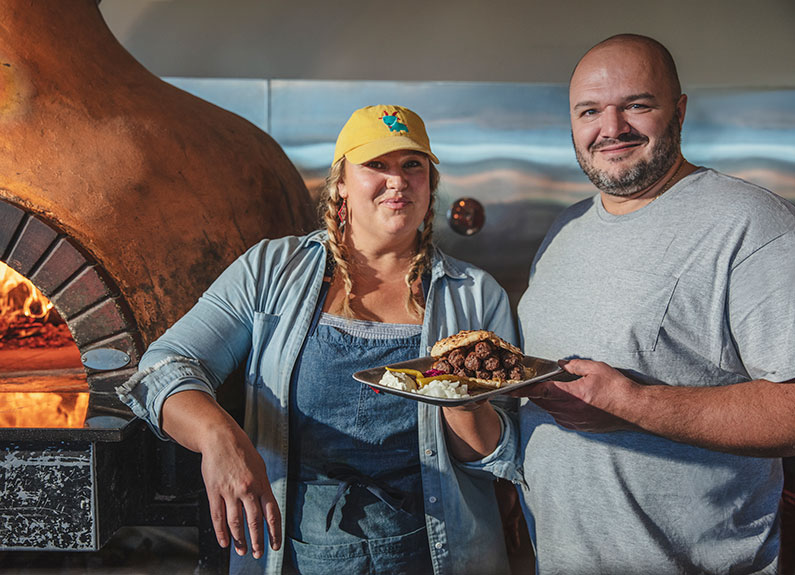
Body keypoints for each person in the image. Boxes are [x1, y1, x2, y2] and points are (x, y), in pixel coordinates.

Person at [443, 34, 795, 574]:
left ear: (678, 111)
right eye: (590, 111)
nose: (611, 128)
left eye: (636, 104)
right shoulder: (565, 231)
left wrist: (633, 404)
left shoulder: (750, 224)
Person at [116, 104, 518, 575]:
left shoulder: (475, 295)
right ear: (342, 183)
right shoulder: (271, 271)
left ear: (430, 182)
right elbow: (163, 366)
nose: (399, 180)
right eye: (376, 165)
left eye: (413, 165)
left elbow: (496, 459)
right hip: (291, 555)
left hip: (437, 555)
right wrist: (216, 434)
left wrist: (465, 403)